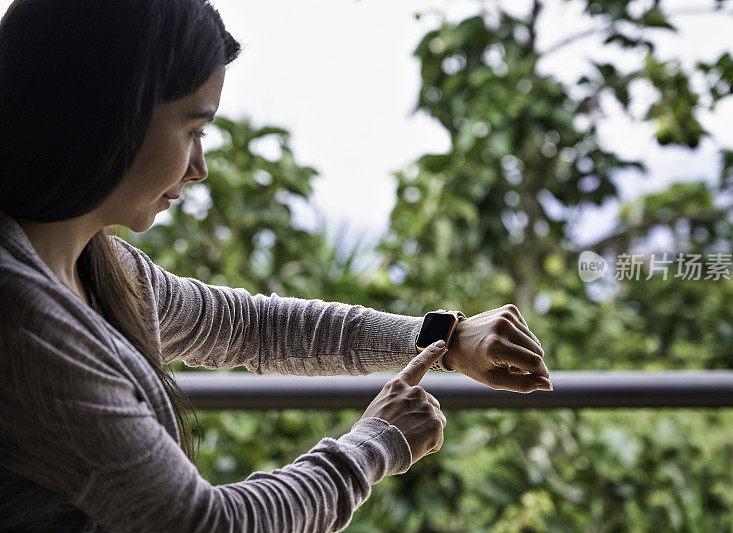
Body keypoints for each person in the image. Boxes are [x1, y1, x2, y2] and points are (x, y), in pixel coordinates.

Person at [0, 0, 552, 531]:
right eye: (193, 129)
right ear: (110, 112)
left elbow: (251, 328)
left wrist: (443, 338)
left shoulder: (99, 263)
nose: (200, 168)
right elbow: (202, 525)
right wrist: (375, 443)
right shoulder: (25, 321)